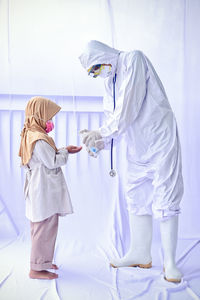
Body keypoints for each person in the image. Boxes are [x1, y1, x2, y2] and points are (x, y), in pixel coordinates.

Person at [79, 40, 184, 283]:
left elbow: (128, 109)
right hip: (136, 146)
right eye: (92, 73)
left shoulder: (133, 59)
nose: (97, 74)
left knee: (166, 197)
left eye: (96, 68)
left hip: (159, 140)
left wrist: (102, 133)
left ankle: (170, 262)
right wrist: (97, 143)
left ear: (103, 55)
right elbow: (114, 119)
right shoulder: (109, 82)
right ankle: (140, 253)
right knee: (135, 197)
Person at [19, 96, 82, 280]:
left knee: (42, 227)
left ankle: (42, 262)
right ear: (39, 115)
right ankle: (36, 269)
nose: (50, 122)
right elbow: (54, 161)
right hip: (43, 191)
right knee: (43, 228)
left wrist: (63, 149)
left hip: (39, 189)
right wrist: (65, 152)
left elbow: (44, 157)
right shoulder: (38, 139)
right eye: (48, 117)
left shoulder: (29, 134)